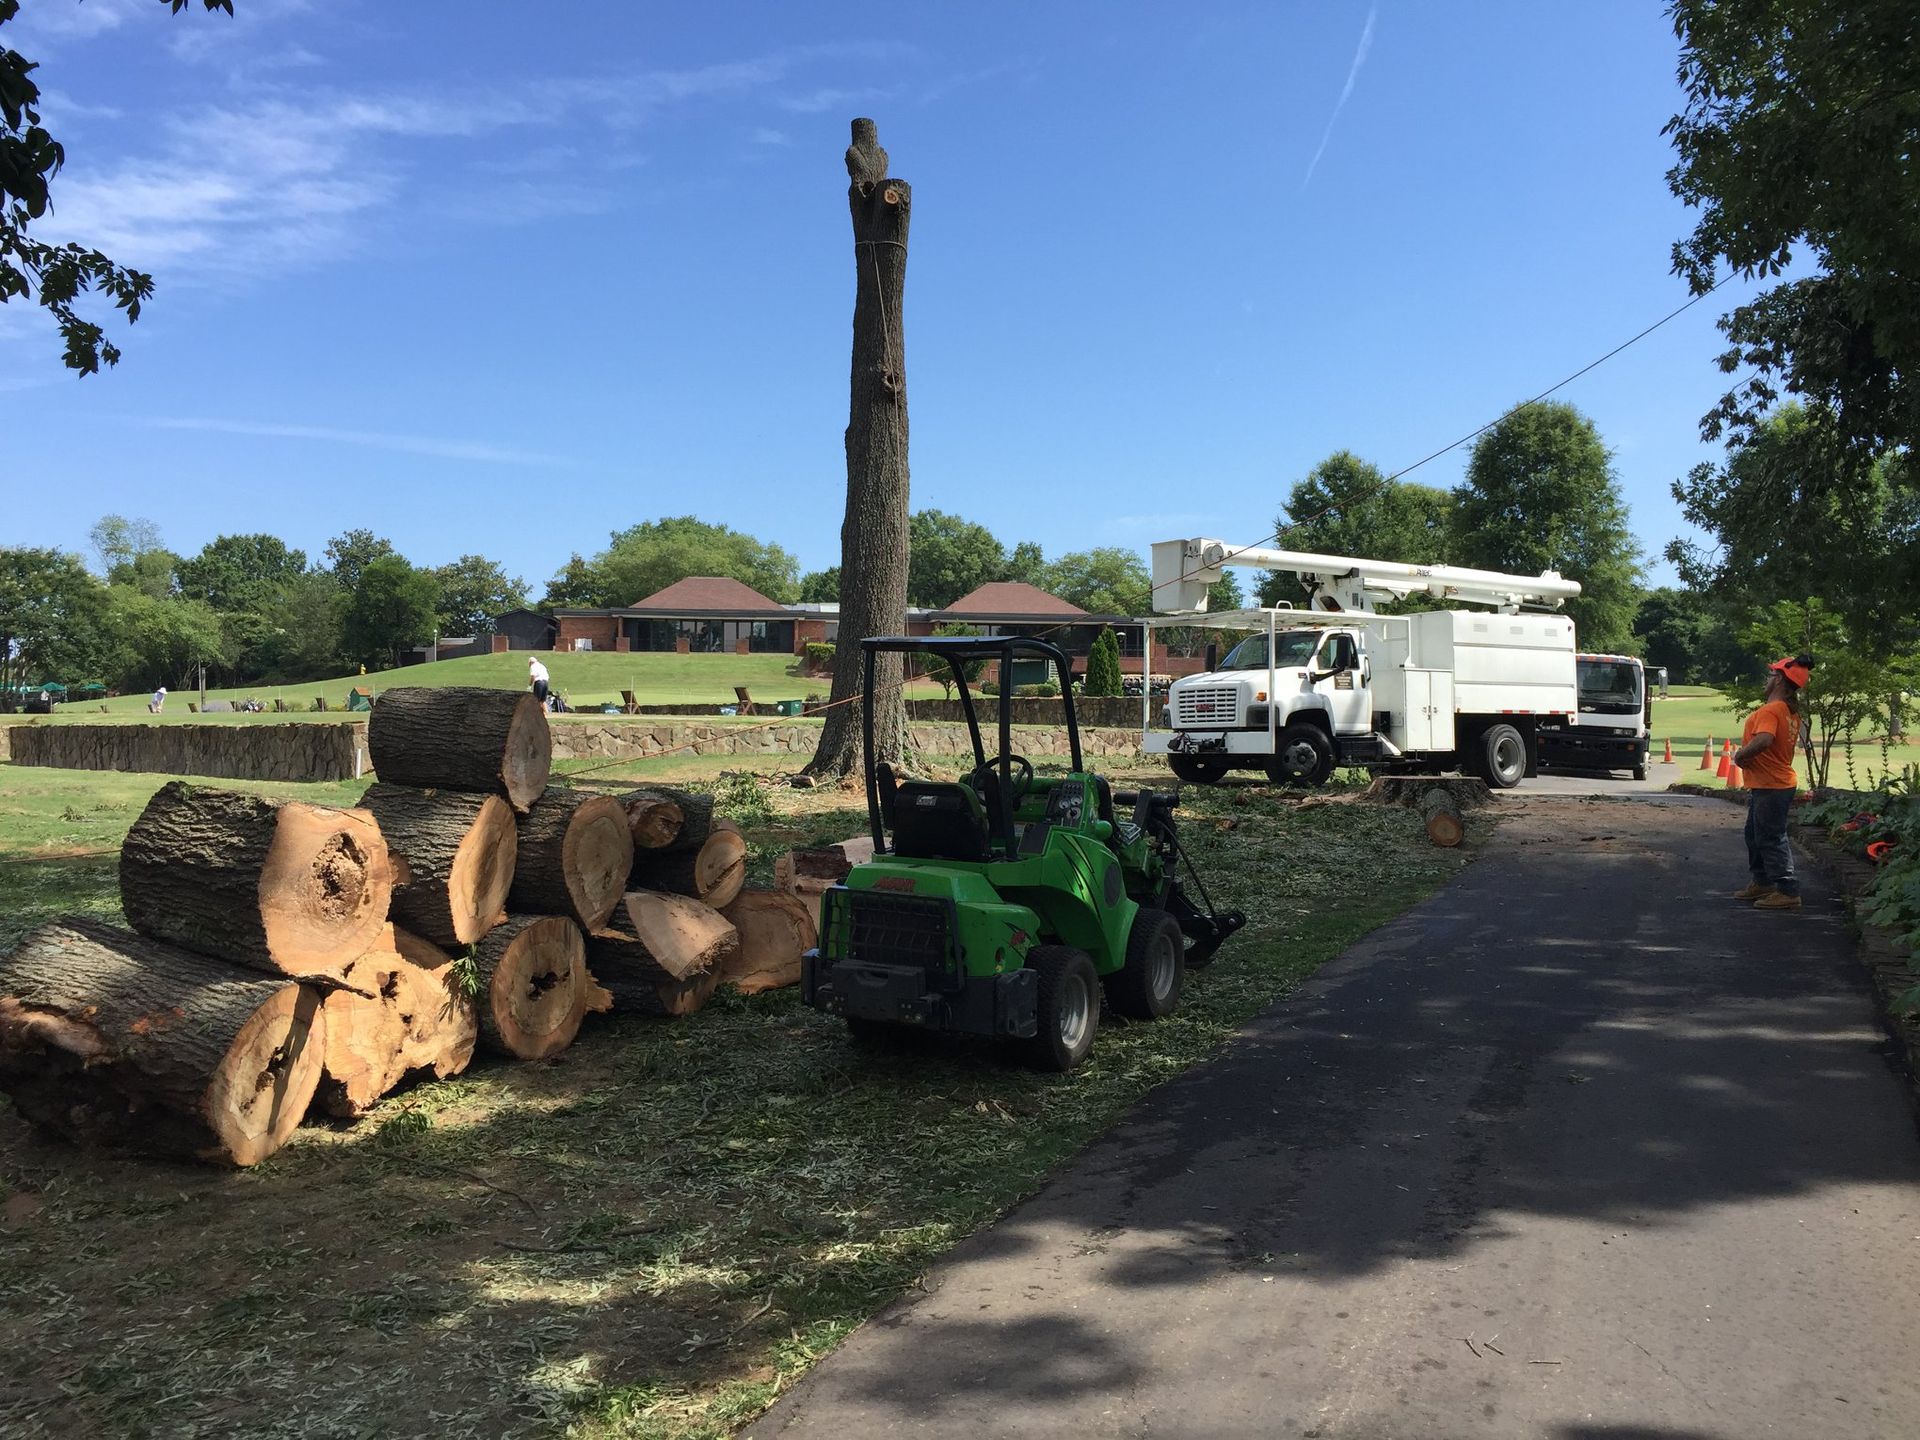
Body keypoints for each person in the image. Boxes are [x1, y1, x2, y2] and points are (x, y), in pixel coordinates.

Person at [1733, 654, 1815, 911]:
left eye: (1770, 675)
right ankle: (1763, 881)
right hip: (1770, 783)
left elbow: (1765, 739)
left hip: (1772, 786)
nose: (1766, 679)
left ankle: (1788, 890)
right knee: (1754, 834)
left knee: (1770, 837)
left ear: (1779, 680)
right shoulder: (1789, 712)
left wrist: (1740, 755)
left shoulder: (1772, 710)